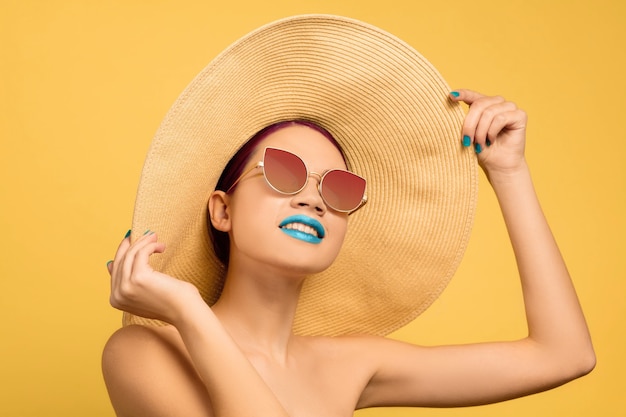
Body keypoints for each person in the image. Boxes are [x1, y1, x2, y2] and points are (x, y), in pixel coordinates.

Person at [102, 15, 594, 417]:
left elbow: (565, 355)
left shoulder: (351, 365)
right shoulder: (143, 354)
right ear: (222, 210)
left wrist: (508, 171)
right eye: (283, 171)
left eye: (339, 187)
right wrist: (188, 311)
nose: (313, 200)